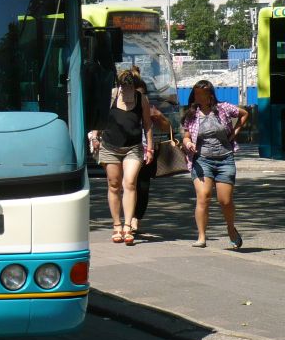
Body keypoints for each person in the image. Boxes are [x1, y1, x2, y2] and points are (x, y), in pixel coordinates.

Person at [179, 79, 249, 249]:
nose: (197, 97)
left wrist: (235, 132)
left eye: (200, 94)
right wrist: (188, 143)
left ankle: (231, 229)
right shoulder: (191, 114)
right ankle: (202, 236)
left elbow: (244, 113)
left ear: (209, 95)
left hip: (225, 159)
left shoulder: (223, 108)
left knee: (225, 201)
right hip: (201, 160)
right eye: (195, 94)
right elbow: (186, 135)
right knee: (203, 197)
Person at [88, 69, 153, 245]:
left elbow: (147, 125)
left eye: (130, 87)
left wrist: (150, 149)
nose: (127, 91)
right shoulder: (111, 97)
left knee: (130, 182)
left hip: (133, 147)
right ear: (119, 85)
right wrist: (95, 137)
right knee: (114, 184)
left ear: (135, 86)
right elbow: (98, 119)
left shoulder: (142, 99)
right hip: (110, 146)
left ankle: (128, 226)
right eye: (124, 87)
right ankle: (116, 225)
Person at [130, 67, 173, 233]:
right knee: (127, 185)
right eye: (136, 95)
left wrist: (159, 117)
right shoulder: (121, 106)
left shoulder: (149, 107)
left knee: (142, 188)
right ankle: (127, 218)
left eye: (142, 96)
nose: (139, 99)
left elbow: (166, 127)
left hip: (146, 152)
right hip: (125, 151)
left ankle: (136, 218)